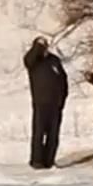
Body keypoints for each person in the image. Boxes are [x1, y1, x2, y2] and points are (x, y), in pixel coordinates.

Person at [23, 36, 69, 169]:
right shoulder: (34, 61)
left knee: (53, 134)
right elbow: (29, 60)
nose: (44, 48)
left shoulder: (54, 60)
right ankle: (37, 160)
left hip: (56, 103)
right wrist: (37, 47)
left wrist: (63, 97)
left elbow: (63, 79)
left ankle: (49, 160)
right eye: (41, 46)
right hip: (40, 102)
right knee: (39, 133)